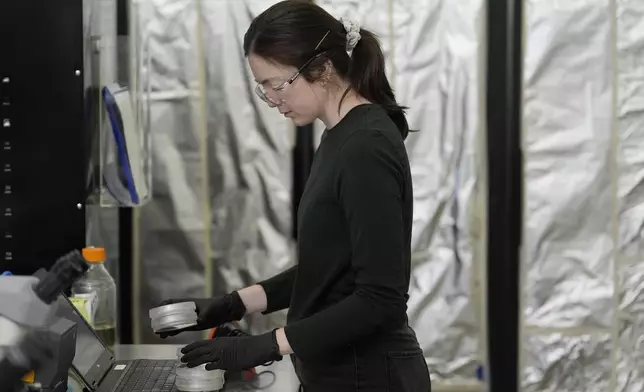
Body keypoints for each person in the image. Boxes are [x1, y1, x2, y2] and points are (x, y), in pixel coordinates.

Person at [158, 1, 431, 391]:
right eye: (262, 86)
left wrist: (268, 345)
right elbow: (332, 269)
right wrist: (235, 303)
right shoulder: (341, 135)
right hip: (339, 371)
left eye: (276, 83)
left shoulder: (365, 145)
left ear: (321, 68)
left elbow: (379, 297)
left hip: (368, 375)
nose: (270, 99)